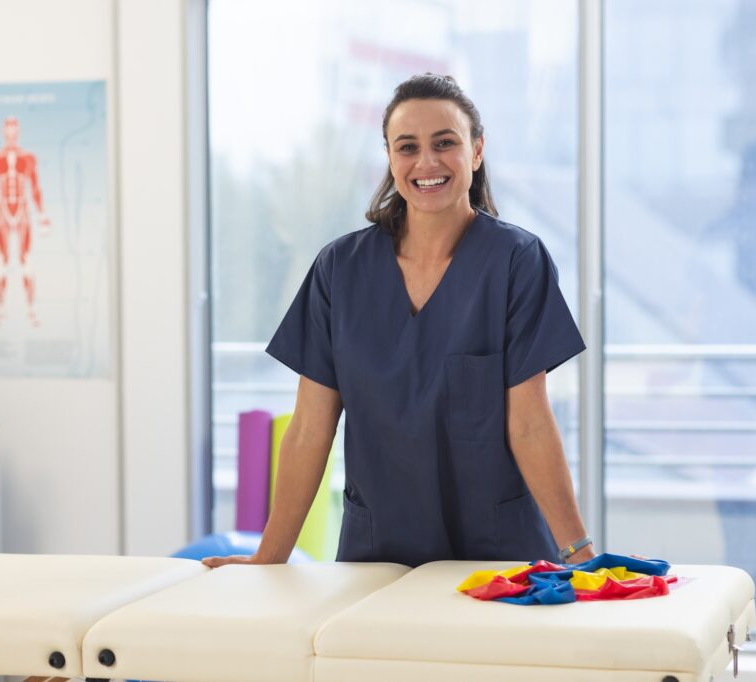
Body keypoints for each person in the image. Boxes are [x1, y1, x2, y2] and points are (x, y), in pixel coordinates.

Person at [204, 73, 595, 569]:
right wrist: (269, 556)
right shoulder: (339, 270)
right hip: (378, 555)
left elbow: (532, 424)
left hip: (500, 556)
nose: (426, 162)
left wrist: (580, 556)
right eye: (407, 146)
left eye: (445, 143)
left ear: (476, 152)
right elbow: (309, 428)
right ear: (389, 158)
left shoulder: (516, 261)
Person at [0, 116, 51, 328]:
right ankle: (0, 310)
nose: (10, 134)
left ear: (18, 132)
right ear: (3, 131)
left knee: (26, 260)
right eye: (7, 130)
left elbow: (35, 188)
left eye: (14, 130)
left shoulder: (28, 158)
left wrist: (42, 215)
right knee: (2, 261)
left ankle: (30, 309)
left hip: (23, 211)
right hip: (2, 212)